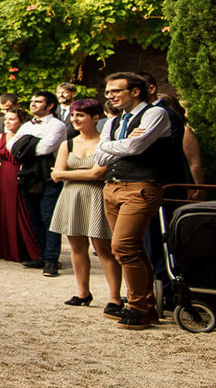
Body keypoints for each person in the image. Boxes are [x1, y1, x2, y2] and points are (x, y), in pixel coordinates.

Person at [95, 71, 186, 329]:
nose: (110, 96)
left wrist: (111, 146)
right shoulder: (115, 121)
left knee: (122, 247)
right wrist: (119, 144)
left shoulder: (155, 114)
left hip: (141, 187)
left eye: (116, 91)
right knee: (132, 247)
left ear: (135, 91)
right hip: (112, 187)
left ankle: (137, 307)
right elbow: (98, 157)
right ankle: (146, 305)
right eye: (108, 92)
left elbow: (136, 148)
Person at [51, 98, 120, 308]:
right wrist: (77, 174)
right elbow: (56, 175)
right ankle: (83, 292)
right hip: (72, 197)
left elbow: (99, 173)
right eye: (73, 115)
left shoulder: (105, 143)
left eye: (80, 115)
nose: (75, 119)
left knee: (103, 249)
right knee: (76, 248)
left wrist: (67, 173)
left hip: (97, 197)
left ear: (95, 117)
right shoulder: (68, 143)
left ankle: (115, 297)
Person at [22, 91, 70, 277]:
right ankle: (41, 256)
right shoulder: (27, 125)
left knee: (49, 219)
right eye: (32, 100)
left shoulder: (57, 125)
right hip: (29, 175)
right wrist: (28, 144)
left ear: (50, 105)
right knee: (34, 218)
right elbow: (12, 147)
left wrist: (25, 144)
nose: (33, 104)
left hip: (49, 176)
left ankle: (51, 260)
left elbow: (45, 149)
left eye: (38, 101)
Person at [0, 109, 40, 264]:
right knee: (6, 210)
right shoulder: (1, 137)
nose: (7, 122)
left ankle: (30, 250)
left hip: (22, 174)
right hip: (4, 174)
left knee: (23, 210)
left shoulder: (28, 136)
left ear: (21, 121)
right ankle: (8, 249)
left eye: (12, 119)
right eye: (6, 119)